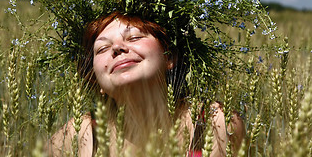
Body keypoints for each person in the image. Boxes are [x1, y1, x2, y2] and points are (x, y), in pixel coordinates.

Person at [48, 12, 245, 157]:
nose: (117, 48)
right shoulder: (76, 134)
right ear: (96, 80)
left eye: (134, 37)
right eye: (102, 48)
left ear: (170, 57)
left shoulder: (215, 120)